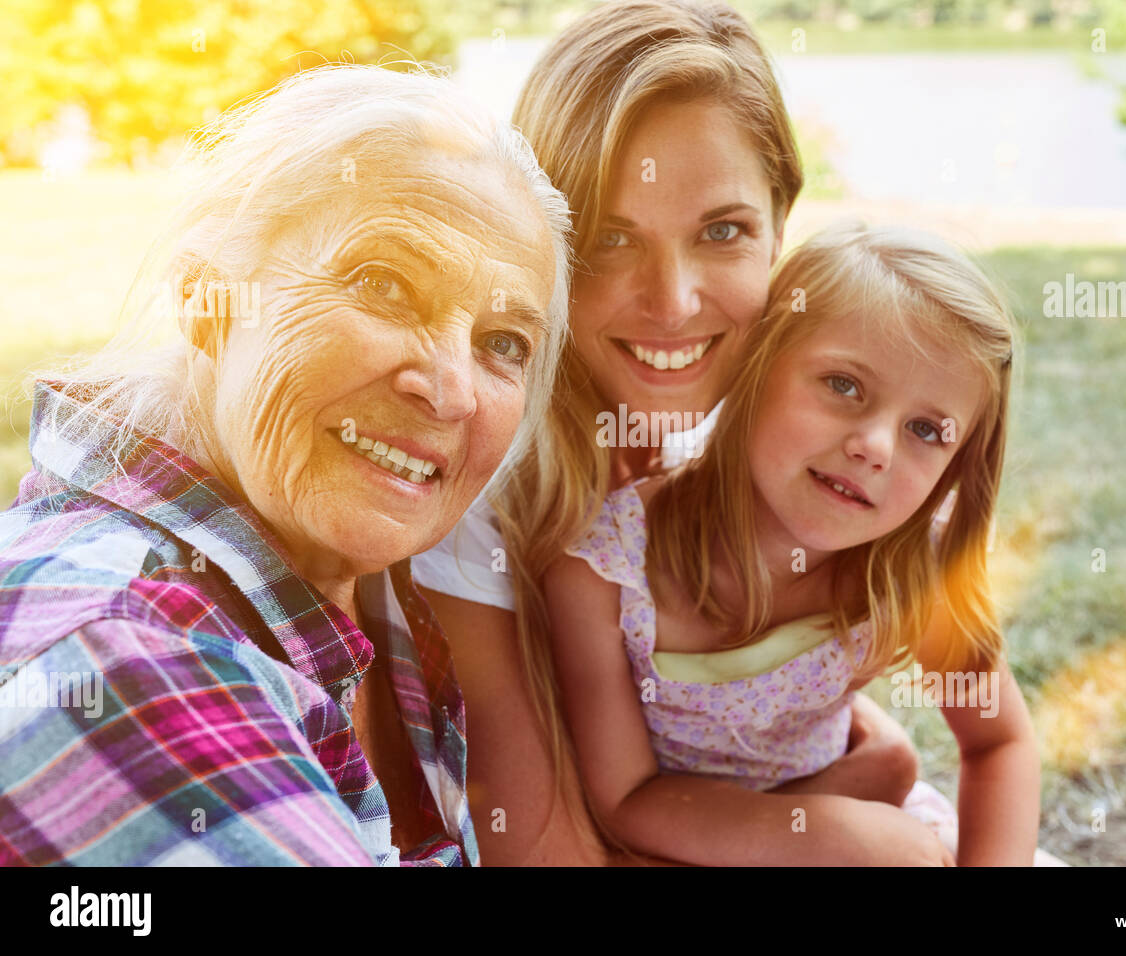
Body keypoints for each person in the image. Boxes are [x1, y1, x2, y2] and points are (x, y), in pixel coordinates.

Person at [0, 63, 571, 866]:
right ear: (206, 298)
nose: (450, 392)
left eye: (502, 343)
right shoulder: (124, 651)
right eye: (384, 284)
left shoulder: (369, 590)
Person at [413, 0, 940, 865]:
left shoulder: (746, 440)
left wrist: (878, 761)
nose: (674, 302)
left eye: (723, 232)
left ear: (780, 229)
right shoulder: (485, 482)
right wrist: (861, 785)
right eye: (610, 238)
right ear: (540, 244)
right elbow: (548, 855)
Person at [544, 221, 1039, 865]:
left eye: (925, 428)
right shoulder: (605, 570)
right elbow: (627, 801)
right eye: (843, 385)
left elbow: (999, 743)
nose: (876, 446)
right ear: (755, 363)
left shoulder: (917, 564)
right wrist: (830, 832)